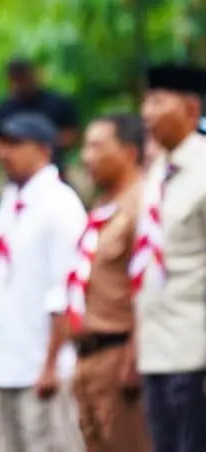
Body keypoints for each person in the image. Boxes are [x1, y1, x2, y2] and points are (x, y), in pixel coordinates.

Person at [0, 112, 88, 452]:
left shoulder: (60, 205)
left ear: (43, 150)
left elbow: (66, 290)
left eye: (16, 144)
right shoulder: (9, 203)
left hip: (41, 366)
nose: (5, 153)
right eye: (4, 144)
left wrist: (51, 364)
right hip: (6, 361)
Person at [131, 63, 206, 452]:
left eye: (158, 101)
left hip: (195, 353)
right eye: (146, 101)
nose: (146, 112)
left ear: (191, 109)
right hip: (157, 353)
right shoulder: (158, 172)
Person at [68, 114, 151, 452]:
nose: (86, 156)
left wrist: (135, 353)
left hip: (119, 357)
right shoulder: (103, 207)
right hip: (89, 358)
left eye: (97, 147)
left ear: (129, 152)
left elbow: (149, 286)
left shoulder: (143, 205)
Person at [0, 57, 80, 166]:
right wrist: (8, 150)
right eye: (16, 79)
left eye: (24, 77)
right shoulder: (3, 108)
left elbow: (73, 134)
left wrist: (40, 144)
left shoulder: (57, 102)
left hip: (53, 164)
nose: (21, 83)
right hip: (13, 168)